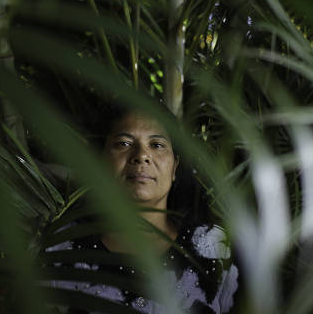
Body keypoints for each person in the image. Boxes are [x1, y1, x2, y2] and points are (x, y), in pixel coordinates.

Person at [46, 105, 238, 313]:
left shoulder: (215, 249)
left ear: (174, 168)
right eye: (124, 143)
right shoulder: (61, 250)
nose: (141, 155)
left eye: (157, 145)